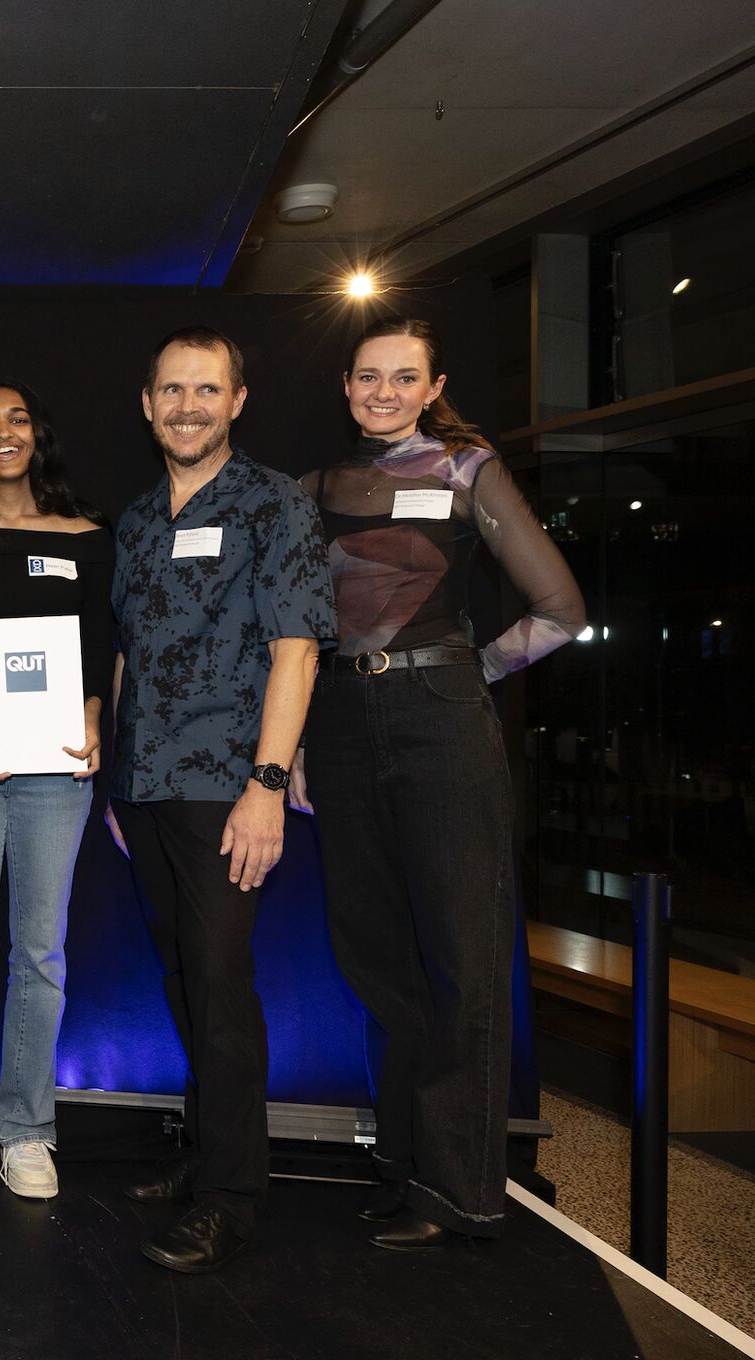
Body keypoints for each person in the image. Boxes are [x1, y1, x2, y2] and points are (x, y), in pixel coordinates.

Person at [296, 315, 583, 1252]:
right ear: (346, 385)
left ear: (433, 385)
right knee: (373, 954)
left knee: (462, 956)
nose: (383, 391)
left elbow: (560, 612)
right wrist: (293, 745)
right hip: (335, 729)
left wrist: (463, 672)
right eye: (367, 376)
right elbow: (297, 630)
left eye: (403, 377)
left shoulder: (466, 470)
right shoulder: (315, 488)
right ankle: (408, 1165)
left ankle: (464, 1192)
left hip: (442, 728)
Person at [110, 327, 337, 1274]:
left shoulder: (275, 505)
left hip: (227, 786)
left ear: (237, 401)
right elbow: (128, 649)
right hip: (146, 786)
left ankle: (232, 1198)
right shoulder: (135, 520)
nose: (188, 406)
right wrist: (117, 782)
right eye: (172, 391)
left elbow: (298, 648)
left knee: (221, 984)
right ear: (148, 403)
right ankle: (207, 1151)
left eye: (207, 390)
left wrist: (268, 786)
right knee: (180, 976)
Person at [0, 379, 112, 1203]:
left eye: (18, 418)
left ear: (41, 434)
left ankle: (28, 1127)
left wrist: (97, 717)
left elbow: (104, 646)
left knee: (41, 950)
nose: (3, 432)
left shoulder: (88, 537)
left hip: (57, 756)